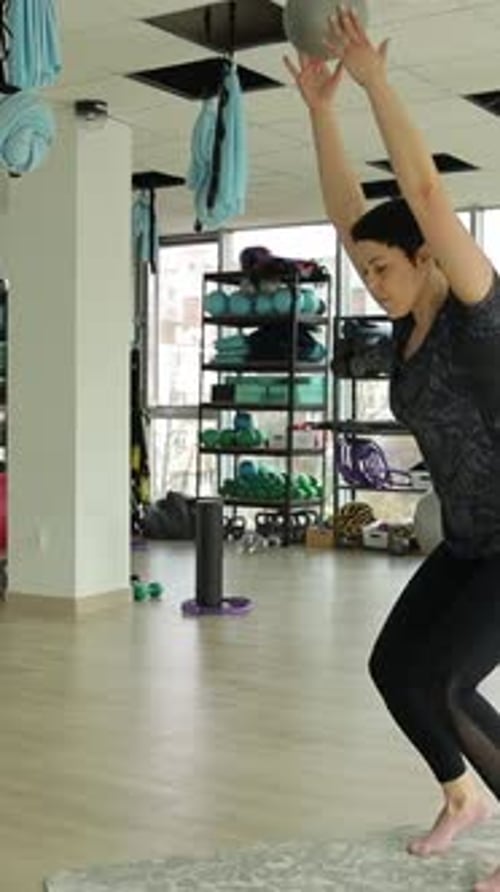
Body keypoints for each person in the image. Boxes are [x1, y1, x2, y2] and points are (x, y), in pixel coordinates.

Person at [285, 9, 500, 892]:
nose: (368, 279)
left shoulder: (476, 315)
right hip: (469, 537)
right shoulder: (405, 325)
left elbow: (423, 193)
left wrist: (373, 83)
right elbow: (351, 214)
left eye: (380, 266)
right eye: (363, 269)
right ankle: (462, 798)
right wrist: (321, 114)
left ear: (424, 258)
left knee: (445, 682)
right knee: (394, 670)